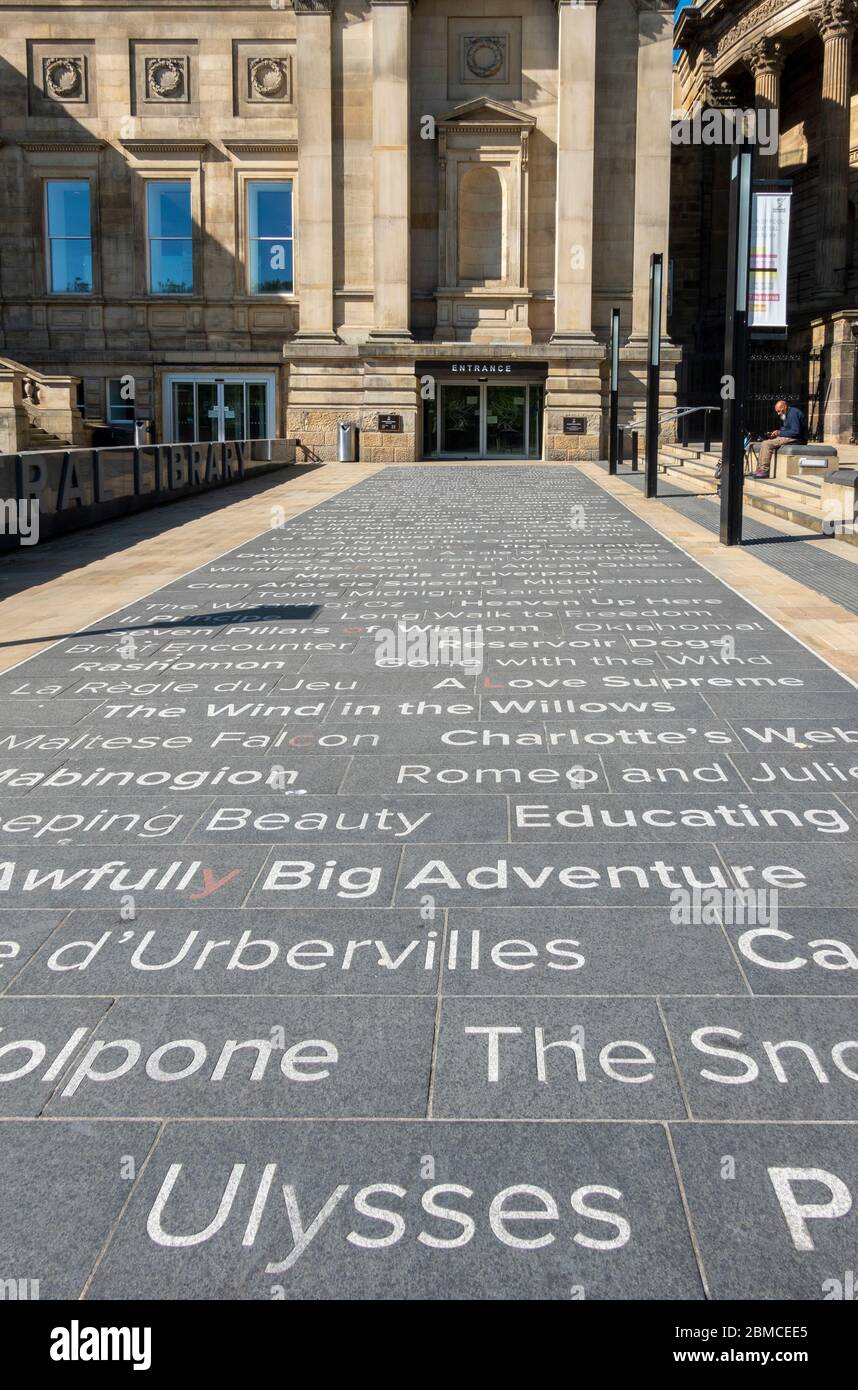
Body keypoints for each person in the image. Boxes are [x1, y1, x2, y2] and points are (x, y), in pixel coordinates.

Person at [753, 399, 807, 478]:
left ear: (785, 407)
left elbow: (796, 432)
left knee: (767, 444)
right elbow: (788, 429)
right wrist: (778, 432)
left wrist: (780, 433)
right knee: (765, 442)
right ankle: (759, 469)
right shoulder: (788, 414)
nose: (778, 413)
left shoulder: (793, 413)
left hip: (797, 438)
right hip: (791, 436)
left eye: (779, 411)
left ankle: (764, 470)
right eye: (777, 411)